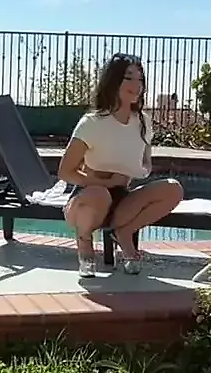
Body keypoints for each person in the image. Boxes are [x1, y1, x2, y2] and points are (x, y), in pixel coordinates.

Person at [57, 54, 185, 277]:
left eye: (140, 79)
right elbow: (65, 172)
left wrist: (133, 172)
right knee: (99, 194)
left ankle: (124, 232)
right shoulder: (93, 122)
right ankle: (85, 244)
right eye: (129, 78)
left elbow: (145, 164)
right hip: (87, 199)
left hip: (122, 200)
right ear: (113, 81)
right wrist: (105, 181)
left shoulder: (143, 121)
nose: (136, 85)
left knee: (173, 188)